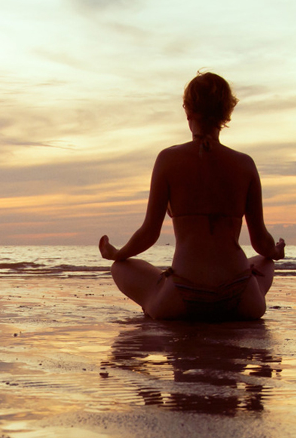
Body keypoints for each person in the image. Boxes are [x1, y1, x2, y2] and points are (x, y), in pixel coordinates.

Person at [99, 72, 285, 321]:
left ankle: (157, 299)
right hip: (241, 296)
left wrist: (117, 253)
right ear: (226, 114)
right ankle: (236, 292)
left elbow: (149, 233)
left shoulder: (168, 159)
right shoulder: (245, 164)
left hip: (182, 296)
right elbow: (261, 241)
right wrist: (275, 250)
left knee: (120, 268)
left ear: (188, 111)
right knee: (265, 262)